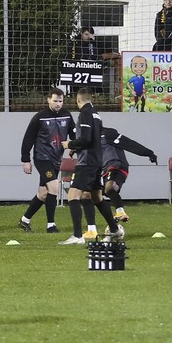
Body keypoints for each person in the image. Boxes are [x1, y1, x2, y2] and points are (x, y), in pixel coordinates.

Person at [59, 86, 123, 245]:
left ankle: (77, 236)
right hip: (97, 160)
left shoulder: (85, 113)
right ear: (91, 98)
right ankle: (115, 230)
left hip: (86, 162)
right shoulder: (96, 114)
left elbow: (86, 138)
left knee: (73, 195)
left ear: (78, 100)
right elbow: (93, 140)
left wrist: (70, 144)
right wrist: (77, 148)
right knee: (95, 197)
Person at [18, 87, 74, 234]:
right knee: (54, 188)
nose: (58, 104)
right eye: (55, 100)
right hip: (42, 158)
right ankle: (51, 225)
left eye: (60, 101)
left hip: (56, 158)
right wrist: (26, 160)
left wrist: (75, 146)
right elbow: (28, 139)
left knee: (43, 194)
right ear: (48, 99)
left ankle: (24, 220)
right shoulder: (40, 117)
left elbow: (73, 133)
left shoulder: (67, 115)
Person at [100, 126, 157, 222]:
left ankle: (120, 212)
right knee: (96, 193)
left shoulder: (108, 133)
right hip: (104, 169)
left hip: (117, 165)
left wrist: (148, 153)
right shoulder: (89, 137)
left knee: (109, 187)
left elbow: (128, 143)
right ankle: (111, 225)